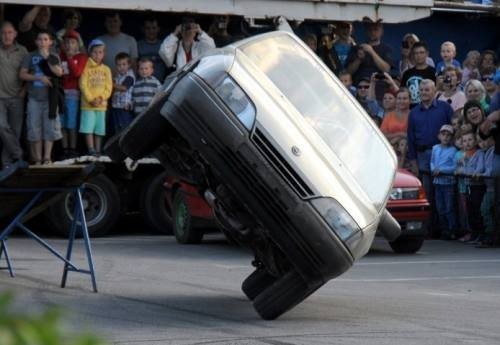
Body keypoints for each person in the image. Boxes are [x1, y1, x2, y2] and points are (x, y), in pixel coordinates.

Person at [407, 79, 454, 237]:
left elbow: (454, 129)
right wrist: (413, 161)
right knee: (427, 193)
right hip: (423, 156)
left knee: (444, 192)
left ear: (434, 91)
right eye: (422, 89)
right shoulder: (413, 112)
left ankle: (447, 229)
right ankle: (430, 229)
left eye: (427, 89)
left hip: (443, 154)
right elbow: (410, 138)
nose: (424, 92)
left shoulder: (445, 108)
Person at [19, 30, 63, 165]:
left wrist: (47, 58)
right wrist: (39, 77)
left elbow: (59, 73)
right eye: (40, 39)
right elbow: (22, 75)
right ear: (36, 42)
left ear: (50, 42)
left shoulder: (54, 56)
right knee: (34, 128)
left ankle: (47, 158)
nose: (42, 42)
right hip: (34, 99)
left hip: (50, 99)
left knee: (49, 128)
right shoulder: (30, 56)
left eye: (45, 39)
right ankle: (38, 159)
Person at [0, 22, 28, 171]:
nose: (6, 36)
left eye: (10, 32)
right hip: (0, 98)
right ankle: (18, 153)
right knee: (2, 126)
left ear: (15, 34)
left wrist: (25, 89)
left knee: (15, 132)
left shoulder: (23, 51)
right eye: (3, 33)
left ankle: (6, 163)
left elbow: (33, 71)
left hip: (17, 97)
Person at [79, 39, 112, 156]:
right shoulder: (85, 68)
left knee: (99, 129)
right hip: (88, 105)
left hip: (101, 105)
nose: (97, 55)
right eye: (94, 52)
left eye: (100, 52)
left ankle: (98, 150)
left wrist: (101, 98)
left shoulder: (106, 69)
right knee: (88, 128)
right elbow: (83, 85)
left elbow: (109, 87)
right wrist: (91, 99)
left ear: (104, 54)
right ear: (90, 53)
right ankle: (91, 149)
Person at [345, 19, 393, 102]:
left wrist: (371, 51)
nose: (373, 32)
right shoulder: (357, 48)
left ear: (382, 32)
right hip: (358, 91)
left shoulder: (386, 49)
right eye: (370, 30)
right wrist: (359, 59)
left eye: (376, 29)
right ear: (366, 31)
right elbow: (348, 71)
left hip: (379, 92)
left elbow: (386, 69)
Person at [59, 29, 87, 158]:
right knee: (62, 123)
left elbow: (77, 73)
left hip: (73, 94)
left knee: (71, 123)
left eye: (72, 42)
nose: (69, 45)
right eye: (66, 42)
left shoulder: (81, 57)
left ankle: (72, 148)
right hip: (60, 93)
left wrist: (70, 58)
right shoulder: (60, 56)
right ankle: (64, 149)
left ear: (77, 44)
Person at [455, 131, 485, 243]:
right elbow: (461, 169)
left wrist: (465, 171)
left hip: (477, 186)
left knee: (477, 210)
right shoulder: (463, 155)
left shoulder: (479, 153)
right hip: (468, 186)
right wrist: (460, 170)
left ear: (475, 141)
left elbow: (480, 168)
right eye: (464, 141)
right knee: (470, 210)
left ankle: (481, 234)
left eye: (470, 140)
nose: (467, 143)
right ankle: (474, 233)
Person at [431, 124, 458, 240]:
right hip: (437, 183)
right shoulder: (435, 148)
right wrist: (433, 169)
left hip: (448, 183)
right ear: (439, 136)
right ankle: (444, 230)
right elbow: (432, 162)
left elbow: (454, 167)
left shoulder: (453, 151)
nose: (446, 137)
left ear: (451, 138)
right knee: (440, 208)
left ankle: (452, 230)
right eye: (443, 134)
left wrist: (441, 170)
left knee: (449, 208)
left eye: (448, 135)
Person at [400, 41, 436, 107]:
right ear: (413, 55)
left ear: (427, 54)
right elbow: (402, 93)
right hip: (410, 110)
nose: (419, 55)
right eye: (416, 53)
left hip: (428, 109)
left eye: (421, 53)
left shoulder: (433, 72)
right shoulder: (407, 73)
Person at [110, 52, 135, 134]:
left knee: (125, 127)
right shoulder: (117, 76)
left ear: (129, 65)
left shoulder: (130, 76)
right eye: (119, 65)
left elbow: (124, 88)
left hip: (125, 107)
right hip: (116, 106)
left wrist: (110, 84)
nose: (121, 67)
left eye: (124, 64)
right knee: (117, 127)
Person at [478, 135, 496, 247]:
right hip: (489, 187)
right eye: (480, 141)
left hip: (492, 188)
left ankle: (491, 234)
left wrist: (481, 174)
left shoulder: (493, 152)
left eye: (485, 140)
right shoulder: (487, 152)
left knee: (485, 209)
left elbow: (492, 170)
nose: (482, 143)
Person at [137, 16, 167, 82]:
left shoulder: (164, 44)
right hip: (142, 85)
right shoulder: (138, 45)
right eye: (148, 28)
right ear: (143, 29)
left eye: (154, 28)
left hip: (161, 84)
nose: (151, 31)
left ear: (158, 29)